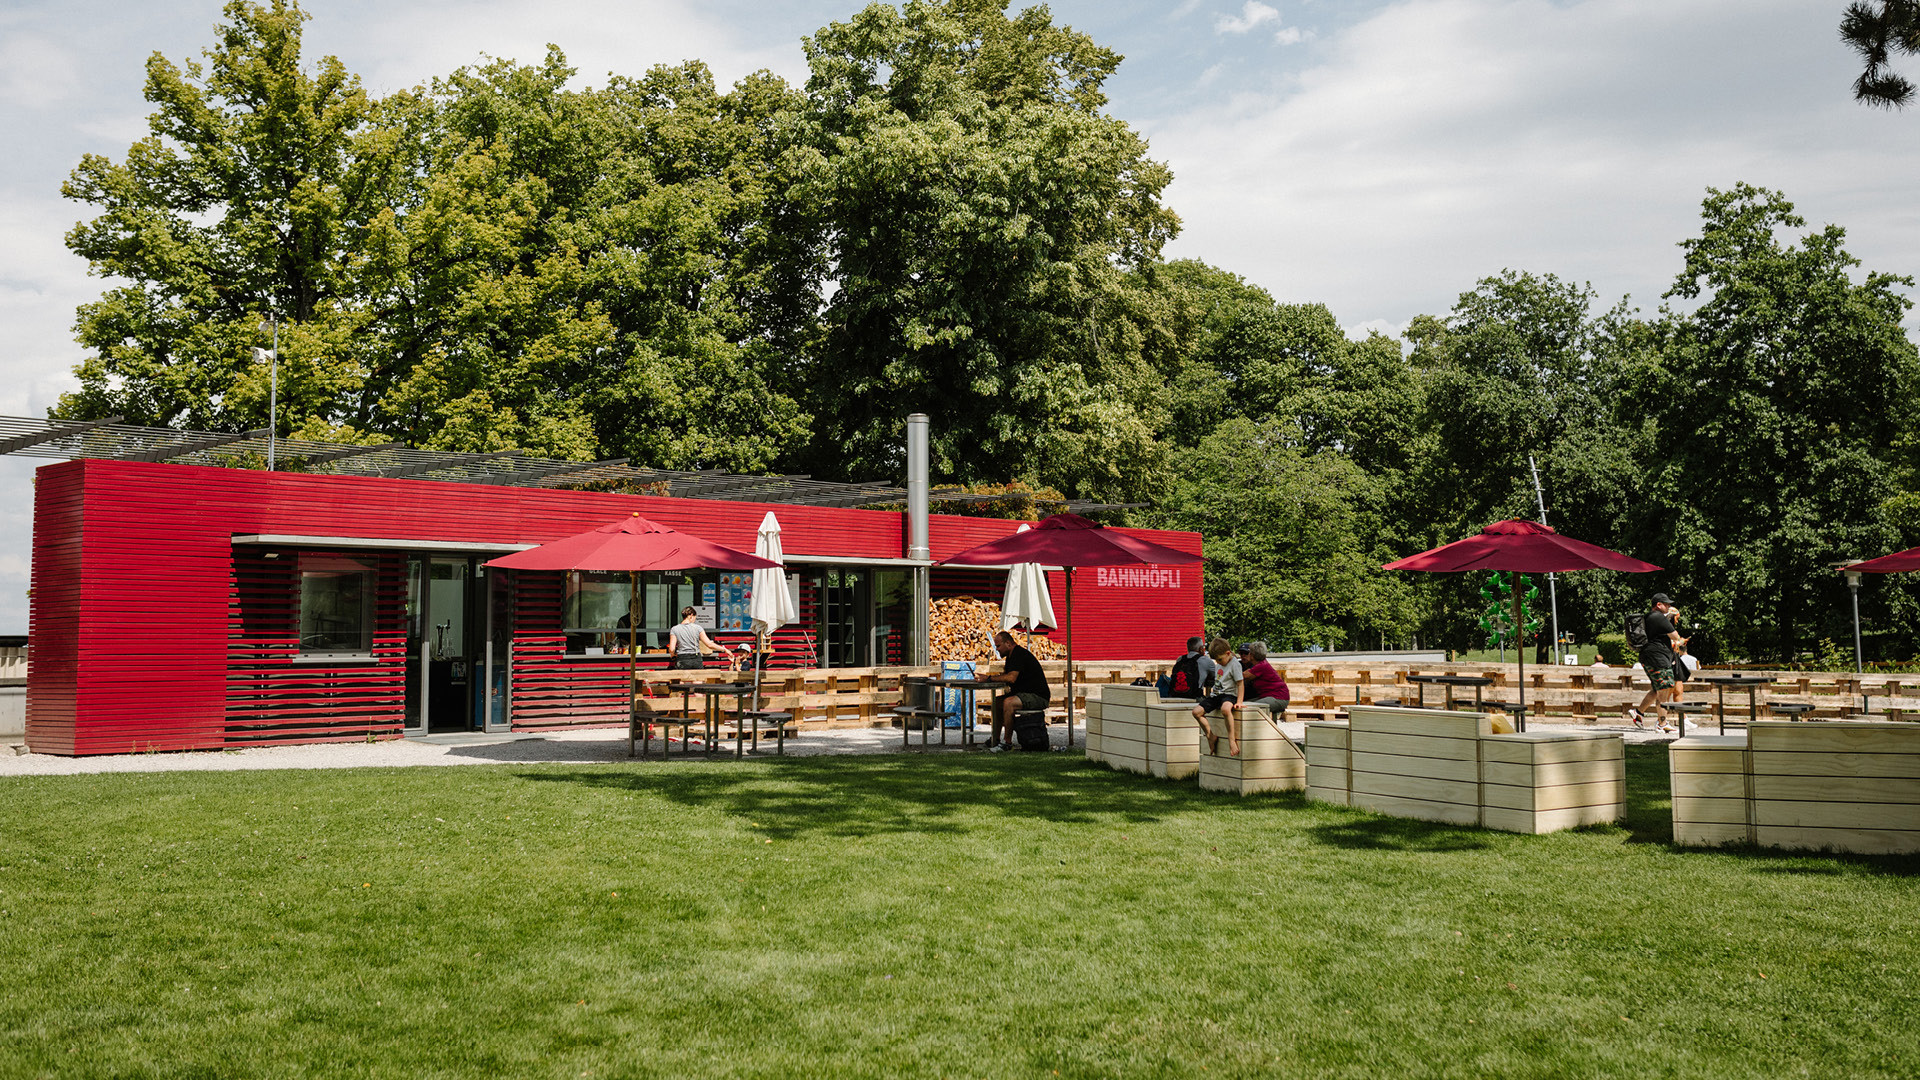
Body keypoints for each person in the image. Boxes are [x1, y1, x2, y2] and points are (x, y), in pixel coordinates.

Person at [986, 629, 1050, 752]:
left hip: (1038, 696)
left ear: (1008, 644)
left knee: (1008, 703)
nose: (997, 649)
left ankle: (1007, 743)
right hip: (1025, 694)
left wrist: (989, 678)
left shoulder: (1019, 655)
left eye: (998, 646)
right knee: (997, 702)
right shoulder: (1010, 657)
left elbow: (1011, 677)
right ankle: (995, 739)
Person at [1631, 593, 1688, 731]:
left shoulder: (1649, 617)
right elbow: (1675, 636)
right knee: (1664, 689)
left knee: (1658, 689)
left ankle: (1638, 713)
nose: (1669, 606)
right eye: (1666, 604)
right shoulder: (1658, 617)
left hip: (1650, 656)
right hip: (1658, 658)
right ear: (1658, 605)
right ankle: (1662, 724)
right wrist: (1679, 641)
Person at [1191, 637, 1242, 756]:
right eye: (1216, 660)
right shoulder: (1219, 663)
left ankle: (1231, 740)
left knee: (1225, 709)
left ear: (1228, 653)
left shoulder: (1234, 664)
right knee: (1196, 712)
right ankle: (1210, 735)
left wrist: (1239, 701)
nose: (1218, 662)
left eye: (1220, 659)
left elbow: (1240, 683)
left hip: (1229, 695)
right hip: (1217, 695)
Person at [1240, 641, 1290, 725]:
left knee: (1248, 707)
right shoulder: (1261, 664)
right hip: (1273, 696)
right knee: (1244, 704)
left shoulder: (1261, 666)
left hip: (1279, 698)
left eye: (1249, 653)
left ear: (1252, 655)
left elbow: (1242, 676)